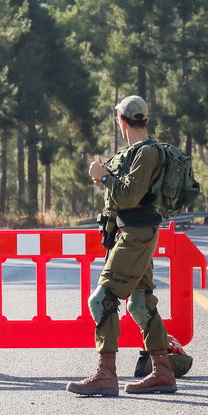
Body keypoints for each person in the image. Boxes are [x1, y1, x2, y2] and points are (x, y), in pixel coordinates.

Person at [67, 95, 178, 396]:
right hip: (133, 232)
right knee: (140, 303)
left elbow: (129, 196)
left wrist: (103, 176)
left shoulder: (147, 152)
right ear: (145, 119)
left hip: (136, 234)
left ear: (122, 121)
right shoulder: (135, 153)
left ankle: (106, 375)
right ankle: (163, 372)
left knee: (101, 299)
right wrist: (107, 176)